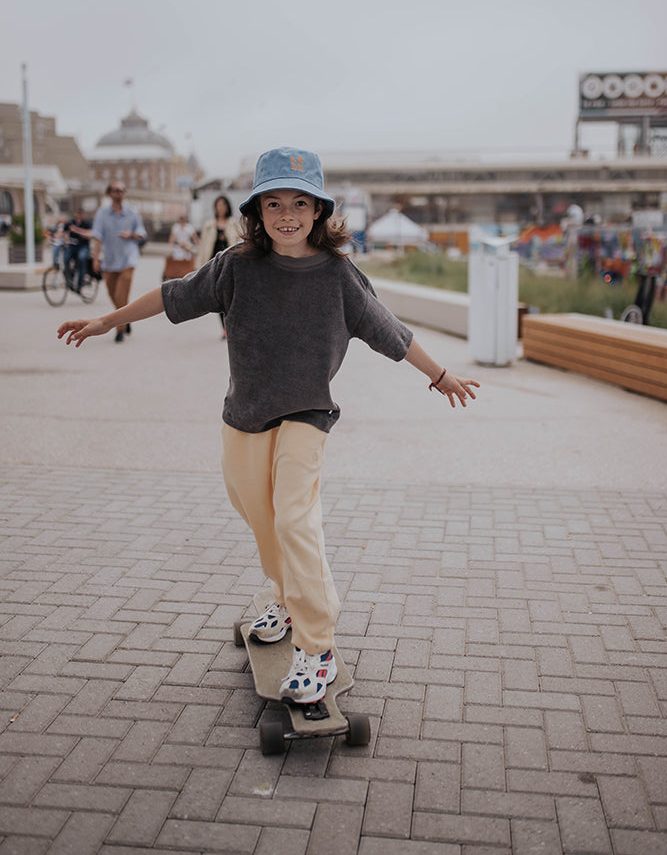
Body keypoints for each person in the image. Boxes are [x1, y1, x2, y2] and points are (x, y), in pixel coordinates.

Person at [57, 147, 480, 705]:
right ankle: (284, 597)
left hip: (308, 414)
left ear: (319, 211)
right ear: (257, 211)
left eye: (299, 203)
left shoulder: (338, 277)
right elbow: (171, 296)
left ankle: (317, 646)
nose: (287, 215)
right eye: (274, 203)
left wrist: (441, 374)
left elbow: (392, 333)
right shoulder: (236, 265)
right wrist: (104, 321)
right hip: (246, 415)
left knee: (295, 521)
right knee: (259, 514)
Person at [91, 181, 147, 343]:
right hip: (109, 260)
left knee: (122, 293)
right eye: (116, 190)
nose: (119, 193)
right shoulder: (102, 214)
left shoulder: (132, 212)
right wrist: (96, 258)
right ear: (110, 193)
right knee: (113, 294)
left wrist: (131, 234)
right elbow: (97, 237)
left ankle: (120, 329)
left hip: (128, 259)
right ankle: (126, 318)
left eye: (122, 190)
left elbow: (142, 233)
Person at [196, 195, 240, 337]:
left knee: (230, 298)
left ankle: (229, 325)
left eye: (223, 205)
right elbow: (203, 247)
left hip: (229, 265)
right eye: (218, 205)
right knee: (219, 299)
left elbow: (239, 243)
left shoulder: (233, 224)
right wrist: (199, 267)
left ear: (227, 207)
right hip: (213, 265)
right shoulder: (209, 225)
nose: (220, 208)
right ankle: (225, 328)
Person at [64, 208, 93, 290]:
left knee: (82, 258)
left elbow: (89, 234)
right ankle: (69, 279)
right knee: (66, 259)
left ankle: (80, 283)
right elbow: (63, 232)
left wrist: (76, 230)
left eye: (81, 213)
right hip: (72, 246)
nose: (79, 215)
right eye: (77, 213)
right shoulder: (70, 223)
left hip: (83, 246)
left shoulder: (87, 223)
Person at [164, 213, 198, 280]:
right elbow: (172, 238)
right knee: (177, 259)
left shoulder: (189, 227)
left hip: (187, 247)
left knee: (187, 260)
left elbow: (194, 237)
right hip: (178, 247)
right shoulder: (176, 227)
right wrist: (171, 246)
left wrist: (196, 245)